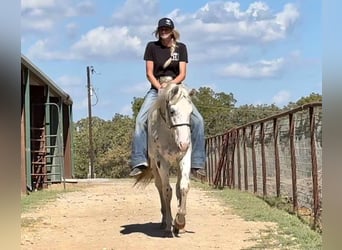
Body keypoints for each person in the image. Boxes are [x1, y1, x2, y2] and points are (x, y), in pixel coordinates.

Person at [129, 17, 206, 177]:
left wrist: (171, 86)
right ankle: (139, 161)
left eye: (167, 29)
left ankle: (197, 163)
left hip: (176, 87)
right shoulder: (152, 47)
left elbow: (183, 73)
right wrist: (159, 87)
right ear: (158, 31)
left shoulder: (181, 48)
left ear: (172, 31)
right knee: (140, 120)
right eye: (162, 29)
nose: (164, 31)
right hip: (156, 88)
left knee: (198, 120)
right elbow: (149, 73)